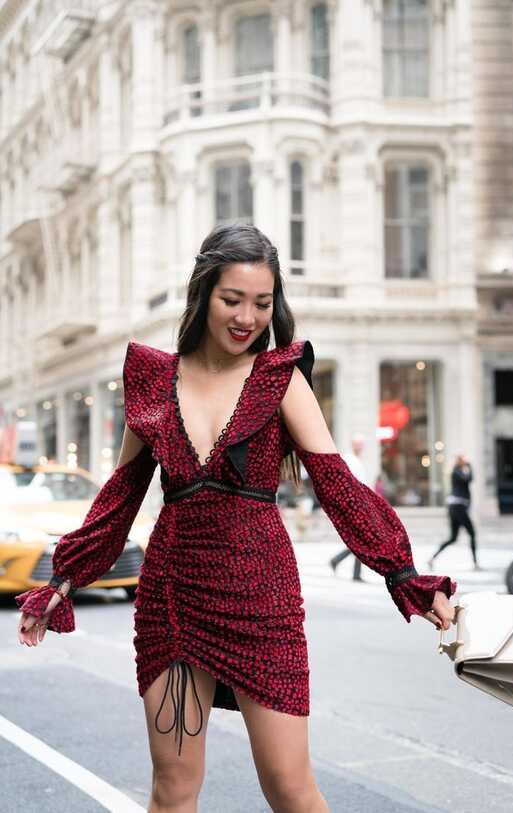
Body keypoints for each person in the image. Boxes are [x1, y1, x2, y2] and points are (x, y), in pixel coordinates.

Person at [16, 224, 457, 813]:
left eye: (262, 303)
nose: (247, 316)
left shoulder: (280, 379)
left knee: (291, 788)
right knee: (173, 790)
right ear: (203, 295)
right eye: (232, 299)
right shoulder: (153, 379)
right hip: (173, 597)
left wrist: (404, 576)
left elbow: (337, 484)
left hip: (260, 597)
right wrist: (63, 581)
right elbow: (120, 497)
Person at [428, 454, 481, 571]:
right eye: (463, 460)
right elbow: (469, 479)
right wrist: (470, 467)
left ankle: (432, 558)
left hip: (456, 507)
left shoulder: (458, 471)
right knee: (472, 533)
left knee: (453, 538)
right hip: (458, 507)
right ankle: (475, 563)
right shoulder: (456, 472)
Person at [329, 433, 368, 580]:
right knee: (361, 539)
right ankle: (344, 565)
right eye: (358, 444)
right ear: (353, 445)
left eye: (362, 445)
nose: (360, 447)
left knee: (361, 539)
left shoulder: (357, 460)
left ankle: (341, 563)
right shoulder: (350, 460)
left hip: (360, 504)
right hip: (354, 505)